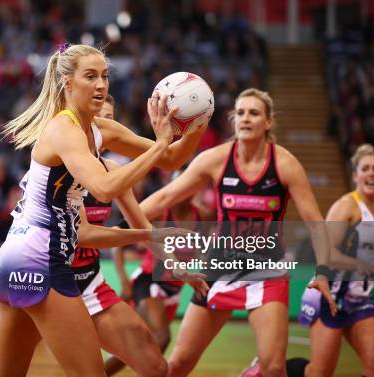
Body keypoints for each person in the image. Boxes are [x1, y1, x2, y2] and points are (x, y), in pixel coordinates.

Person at [0, 44, 204, 377]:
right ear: (67, 84)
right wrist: (160, 143)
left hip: (16, 260)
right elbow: (104, 188)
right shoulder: (64, 128)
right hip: (42, 260)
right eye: (91, 76)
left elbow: (172, 159)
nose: (101, 84)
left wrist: (198, 121)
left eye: (104, 75)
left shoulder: (99, 130)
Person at [140, 88, 336, 377]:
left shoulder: (284, 163)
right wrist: (124, 222)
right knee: (179, 363)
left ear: (269, 122)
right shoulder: (216, 159)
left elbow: (316, 223)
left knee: (273, 369)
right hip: (219, 269)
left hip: (266, 272)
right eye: (240, 113)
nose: (245, 118)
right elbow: (165, 198)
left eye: (254, 113)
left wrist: (322, 272)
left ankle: (257, 371)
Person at [294, 144, 374, 377]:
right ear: (355, 176)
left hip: (361, 300)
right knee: (320, 372)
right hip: (328, 295)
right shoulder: (346, 206)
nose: (371, 173)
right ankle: (269, 370)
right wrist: (356, 263)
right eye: (365, 169)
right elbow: (327, 252)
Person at [107, 193, 201, 376]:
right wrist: (124, 282)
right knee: (162, 337)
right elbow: (117, 240)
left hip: (174, 289)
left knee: (139, 346)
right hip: (149, 282)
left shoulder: (202, 215)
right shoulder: (160, 214)